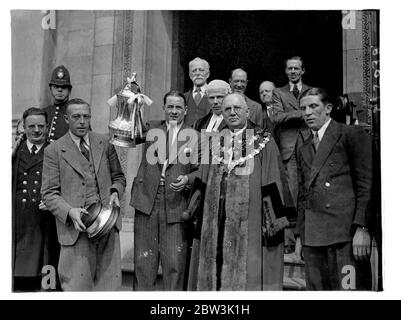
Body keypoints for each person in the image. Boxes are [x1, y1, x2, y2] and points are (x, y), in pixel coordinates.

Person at [188, 93, 289, 290]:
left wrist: (272, 228)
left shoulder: (263, 142)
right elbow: (202, 178)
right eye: (227, 109)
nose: (232, 113)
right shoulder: (214, 141)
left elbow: (273, 183)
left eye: (237, 108)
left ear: (247, 111)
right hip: (215, 218)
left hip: (249, 222)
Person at [41, 98, 126, 291]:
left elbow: (119, 177)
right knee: (76, 289)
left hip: (107, 228)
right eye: (76, 117)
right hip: (75, 231)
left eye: (86, 116)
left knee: (109, 289)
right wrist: (70, 212)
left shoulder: (104, 142)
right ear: (66, 118)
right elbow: (48, 193)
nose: (81, 121)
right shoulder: (54, 150)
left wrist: (115, 192)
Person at [295, 88, 372, 290]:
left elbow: (366, 184)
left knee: (349, 290)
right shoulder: (303, 147)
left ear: (328, 108)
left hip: (345, 236)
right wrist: (300, 236)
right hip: (313, 237)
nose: (307, 113)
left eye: (313, 106)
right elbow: (303, 195)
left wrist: (363, 228)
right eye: (303, 108)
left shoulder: (350, 134)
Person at [130, 90, 199, 290]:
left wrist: (187, 179)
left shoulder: (194, 136)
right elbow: (128, 133)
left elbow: (200, 171)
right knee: (143, 264)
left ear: (185, 110)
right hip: (147, 201)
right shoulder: (151, 128)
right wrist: (133, 105)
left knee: (174, 265)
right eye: (170, 107)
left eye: (179, 107)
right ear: (164, 109)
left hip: (177, 202)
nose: (174, 111)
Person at [12, 107, 58, 291]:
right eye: (32, 126)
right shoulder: (15, 151)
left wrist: (54, 200)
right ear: (24, 127)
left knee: (45, 277)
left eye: (41, 126)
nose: (36, 130)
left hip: (44, 223)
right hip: (17, 222)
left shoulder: (55, 151)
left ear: (47, 127)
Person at [272, 56, 311, 208]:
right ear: (286, 71)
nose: (293, 71)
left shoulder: (311, 91)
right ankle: (292, 221)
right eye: (290, 68)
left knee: (309, 178)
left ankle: (307, 219)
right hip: (288, 144)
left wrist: (291, 115)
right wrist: (301, 113)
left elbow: (316, 115)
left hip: (307, 140)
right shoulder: (278, 92)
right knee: (291, 183)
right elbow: (277, 117)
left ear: (303, 70)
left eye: (296, 68)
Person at [43, 65, 72, 142]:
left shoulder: (76, 113)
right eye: (56, 86)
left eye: (64, 87)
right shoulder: (44, 112)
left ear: (69, 90)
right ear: (50, 89)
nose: (60, 89)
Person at [183, 57, 211, 126]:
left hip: (208, 135)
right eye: (194, 71)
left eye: (201, 70)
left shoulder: (215, 96)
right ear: (190, 75)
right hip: (186, 135)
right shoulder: (184, 97)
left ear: (207, 74)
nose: (197, 73)